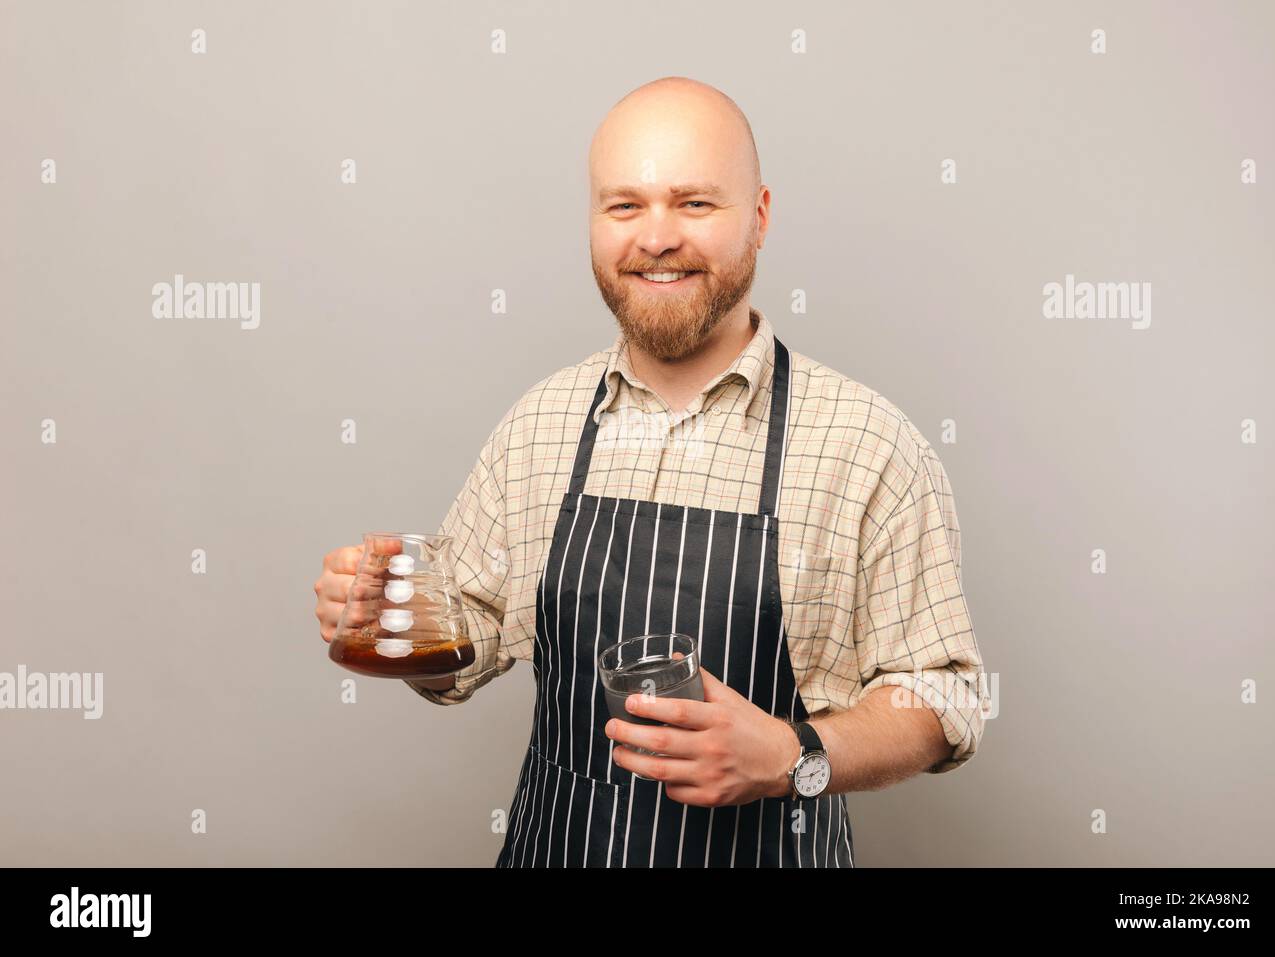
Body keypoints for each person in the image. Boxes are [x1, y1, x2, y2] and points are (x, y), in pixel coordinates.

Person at [313, 76, 988, 868]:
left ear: (760, 217)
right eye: (624, 206)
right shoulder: (541, 422)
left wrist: (790, 753)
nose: (657, 238)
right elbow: (470, 635)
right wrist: (389, 612)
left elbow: (942, 692)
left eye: (695, 203)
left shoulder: (869, 445)